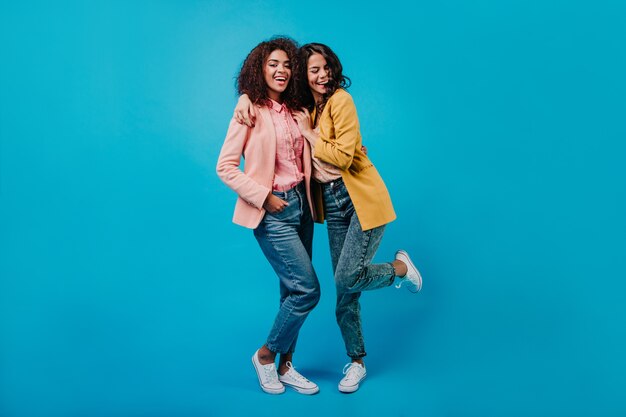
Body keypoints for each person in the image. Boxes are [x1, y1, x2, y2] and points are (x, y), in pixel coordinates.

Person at [234, 42, 423, 393]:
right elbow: (264, 108)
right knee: (336, 288)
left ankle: (400, 269)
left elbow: (342, 156)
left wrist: (312, 135)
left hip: (358, 199)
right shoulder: (304, 107)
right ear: (303, 78)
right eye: (314, 70)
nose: (323, 75)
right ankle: (354, 362)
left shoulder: (338, 102)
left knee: (346, 278)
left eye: (327, 68)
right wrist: (245, 96)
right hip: (327, 204)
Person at [216, 37, 320, 395]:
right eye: (273, 64)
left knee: (290, 292)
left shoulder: (297, 109)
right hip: (272, 212)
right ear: (260, 69)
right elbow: (225, 167)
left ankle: (287, 367)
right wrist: (265, 198)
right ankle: (265, 356)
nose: (281, 70)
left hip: (302, 208)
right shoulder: (249, 110)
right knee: (307, 290)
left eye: (287, 65)